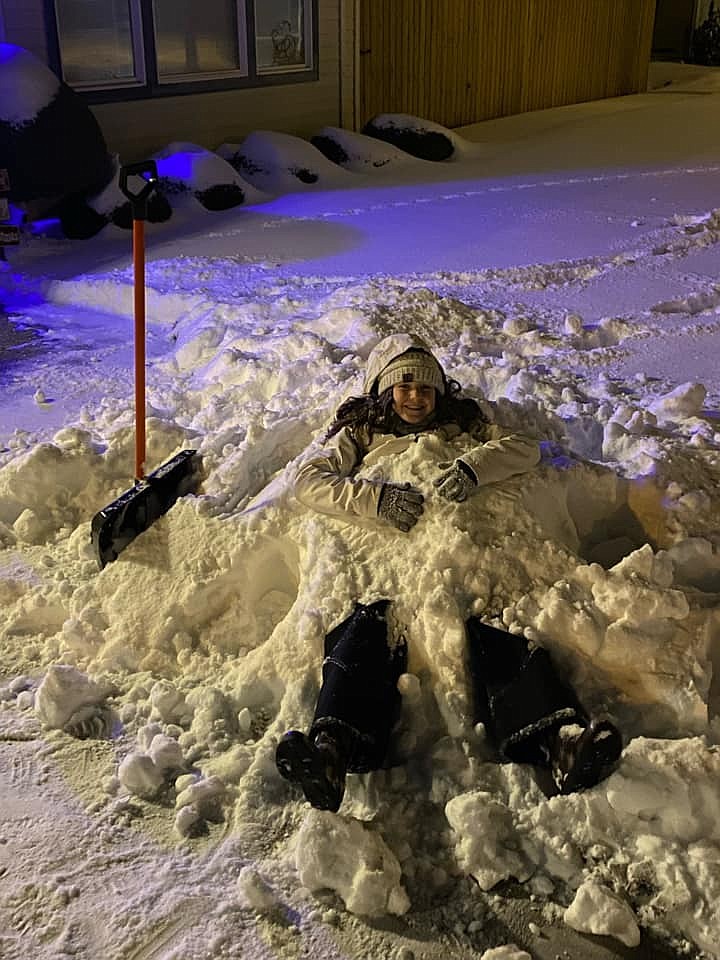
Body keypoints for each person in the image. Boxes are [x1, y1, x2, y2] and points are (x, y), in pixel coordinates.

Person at [275, 333, 622, 812]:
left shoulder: (464, 424)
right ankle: (332, 750)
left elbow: (525, 449)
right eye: (404, 387)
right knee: (365, 632)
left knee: (497, 634)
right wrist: (375, 499)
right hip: (388, 564)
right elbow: (308, 482)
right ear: (384, 389)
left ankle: (560, 742)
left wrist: (475, 467)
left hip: (461, 561)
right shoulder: (361, 432)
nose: (415, 398)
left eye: (425, 389)